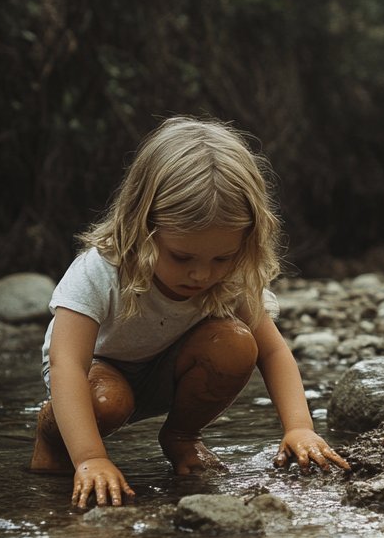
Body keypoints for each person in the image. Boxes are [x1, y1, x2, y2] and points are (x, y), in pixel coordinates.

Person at [31, 116, 349, 506]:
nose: (201, 274)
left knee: (236, 343)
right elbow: (66, 364)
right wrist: (91, 458)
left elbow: (273, 352)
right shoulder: (101, 270)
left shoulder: (230, 278)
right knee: (104, 408)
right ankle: (54, 437)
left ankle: (181, 436)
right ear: (142, 225)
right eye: (181, 257)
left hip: (168, 369)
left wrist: (299, 428)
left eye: (222, 257)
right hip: (97, 373)